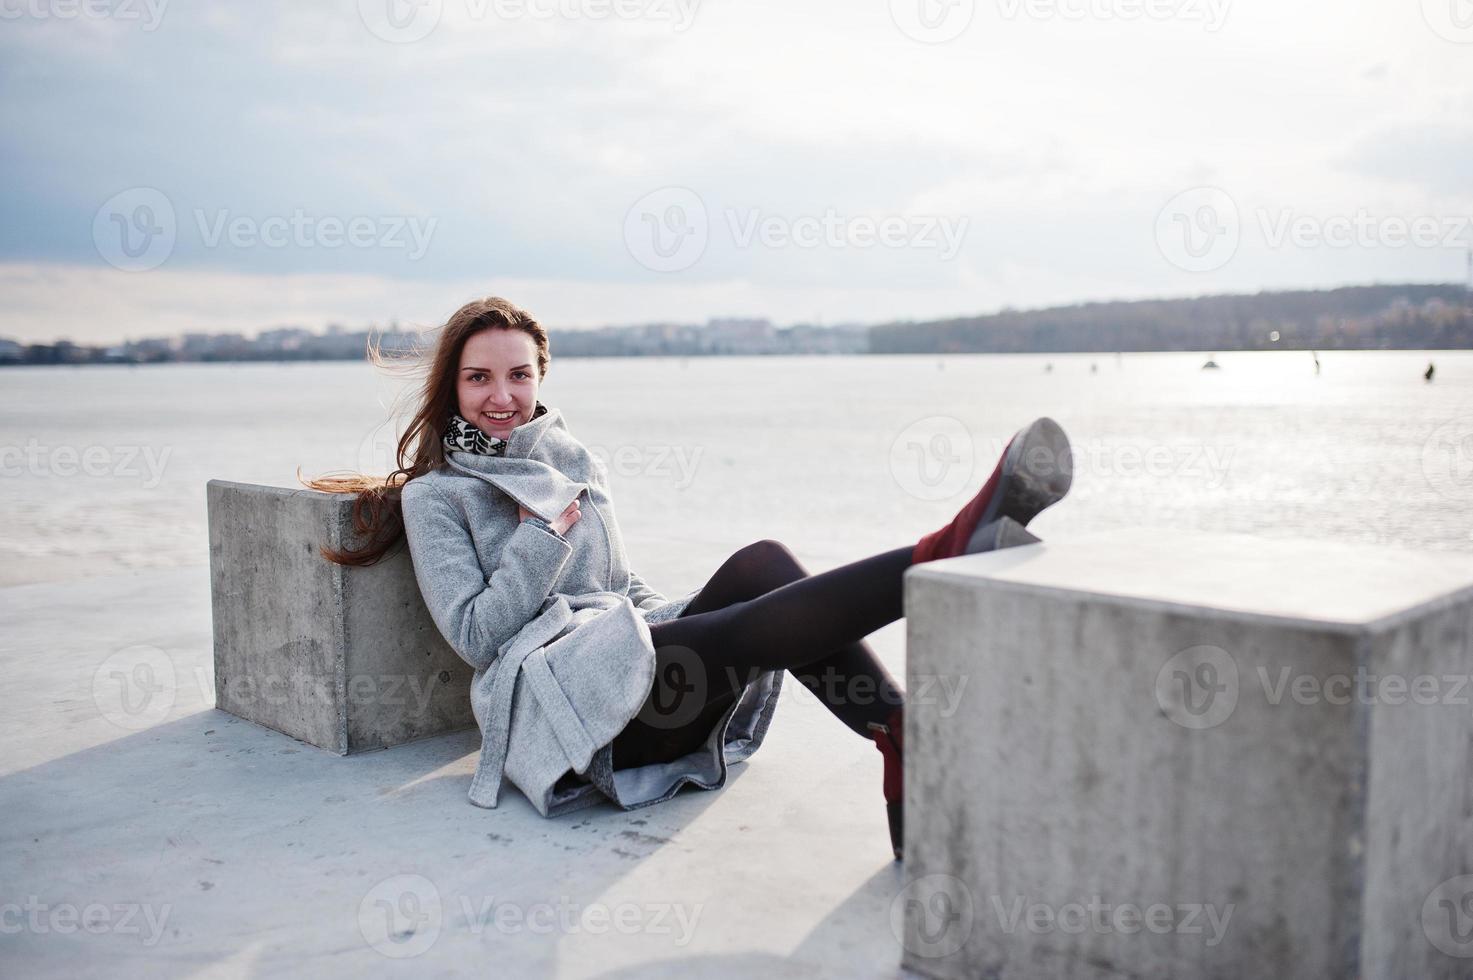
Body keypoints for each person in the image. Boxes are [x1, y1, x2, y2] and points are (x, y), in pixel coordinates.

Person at [304, 296, 1073, 862]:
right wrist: (540, 539)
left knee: (761, 567)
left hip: (630, 663)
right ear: (453, 387)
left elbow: (623, 585)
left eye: (517, 375)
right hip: (568, 709)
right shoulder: (437, 494)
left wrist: (667, 619)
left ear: (541, 377)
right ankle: (946, 550)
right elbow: (476, 638)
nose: (501, 396)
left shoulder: (573, 461)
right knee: (738, 626)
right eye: (479, 378)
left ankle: (903, 736)